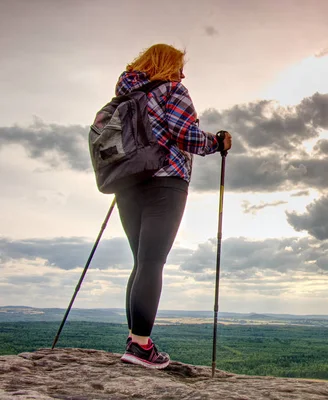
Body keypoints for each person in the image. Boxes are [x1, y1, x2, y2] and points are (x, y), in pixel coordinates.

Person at [114, 43, 232, 369]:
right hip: (166, 180)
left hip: (127, 182)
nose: (183, 73)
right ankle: (140, 346)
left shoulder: (124, 95)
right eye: (179, 66)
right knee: (152, 262)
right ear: (166, 66)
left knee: (141, 261)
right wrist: (217, 142)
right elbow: (185, 136)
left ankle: (135, 340)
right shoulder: (171, 90)